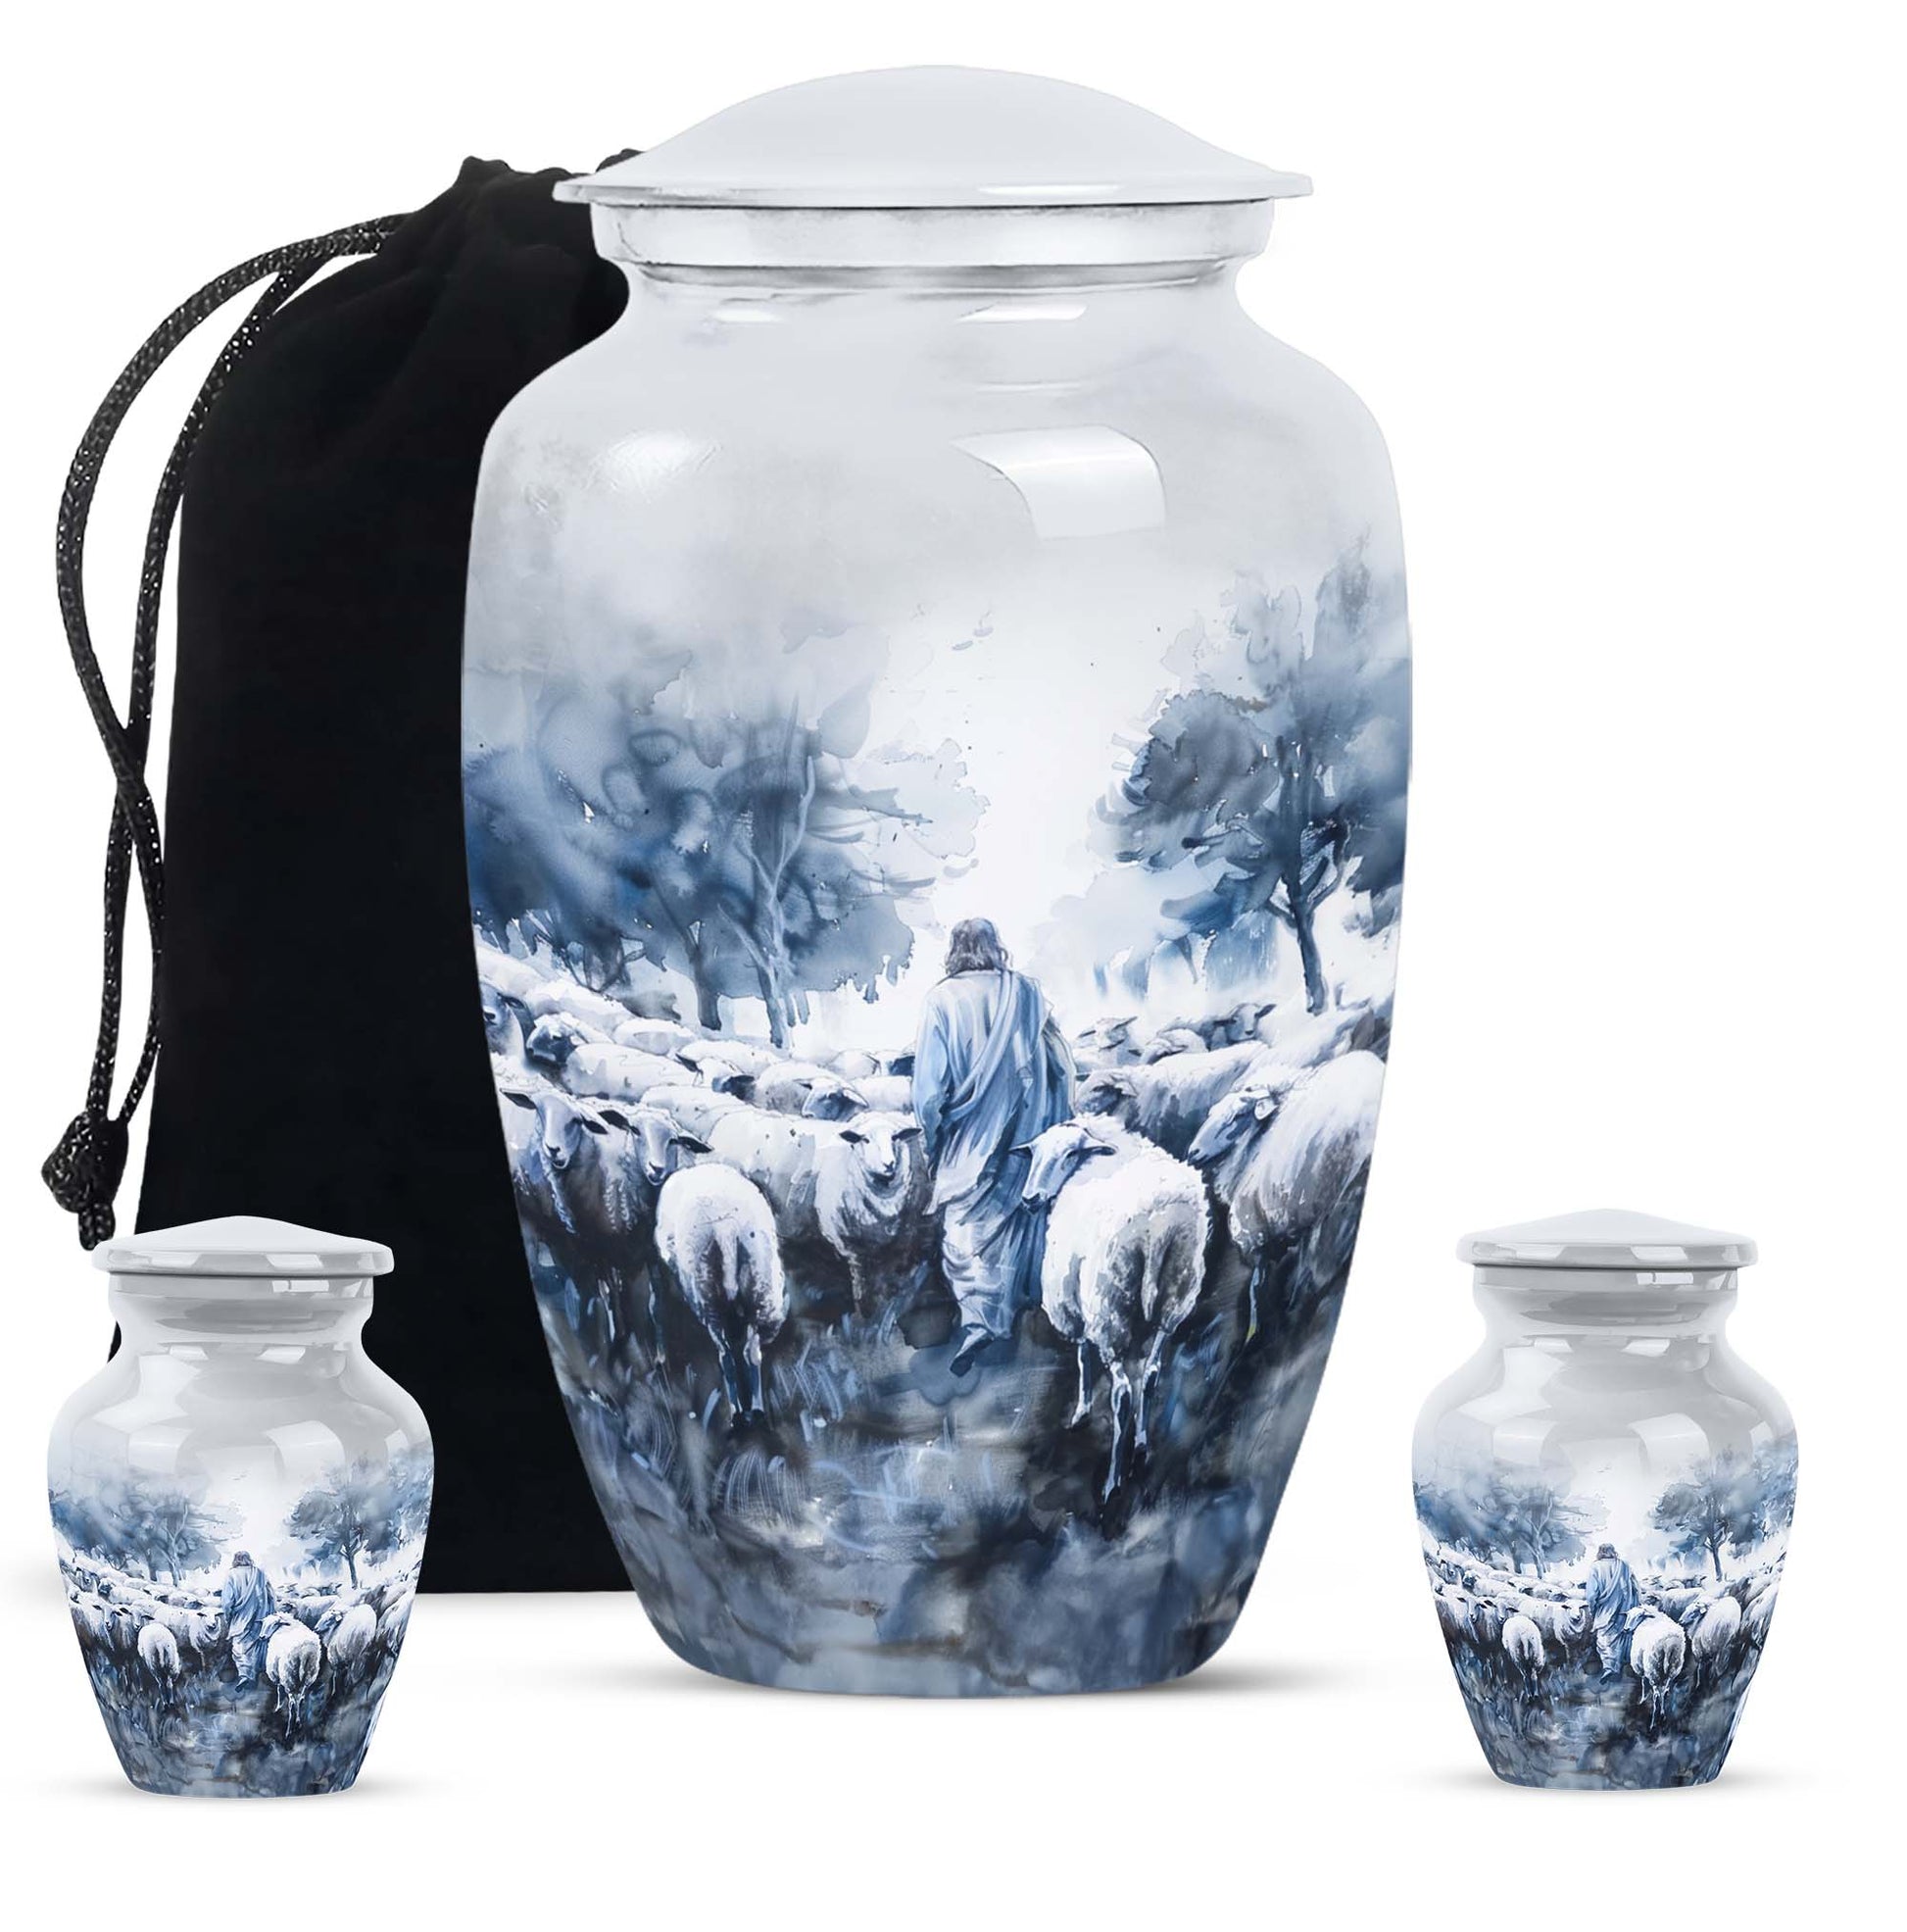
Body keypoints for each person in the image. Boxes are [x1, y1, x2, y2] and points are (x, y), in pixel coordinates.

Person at [911, 918, 1075, 1375]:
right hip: (1027, 1130)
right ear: (996, 947)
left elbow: (928, 1089)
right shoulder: (1026, 992)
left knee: (965, 1230)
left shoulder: (940, 1000)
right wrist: (1057, 1114)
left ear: (954, 950)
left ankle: (980, 1321)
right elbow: (1060, 1062)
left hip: (967, 1139)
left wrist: (932, 1137)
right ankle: (1030, 1313)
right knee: (1019, 1221)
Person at [1583, 1541, 1640, 1679]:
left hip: (1604, 1609)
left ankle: (1609, 1667)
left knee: (1604, 1638)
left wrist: (1592, 1608)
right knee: (1620, 1636)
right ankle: (1620, 1665)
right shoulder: (1624, 1565)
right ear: (1613, 1551)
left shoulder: (1595, 1566)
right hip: (1624, 1607)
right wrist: (1635, 1603)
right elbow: (1635, 1586)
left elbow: (1591, 1593)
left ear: (1600, 1552)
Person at [220, 1550, 277, 1685]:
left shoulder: (231, 1574)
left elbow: (227, 1601)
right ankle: (256, 1673)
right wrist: (271, 1611)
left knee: (239, 1645)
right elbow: (271, 1594)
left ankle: (244, 1674)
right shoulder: (259, 1573)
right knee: (256, 1643)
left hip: (240, 1617)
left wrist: (228, 1615)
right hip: (260, 1615)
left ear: (236, 1559)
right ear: (249, 1559)